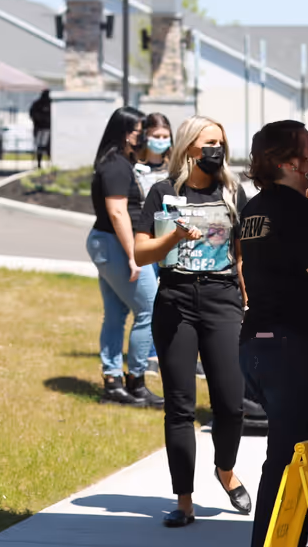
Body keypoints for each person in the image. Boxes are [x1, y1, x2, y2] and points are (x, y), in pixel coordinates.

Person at [237, 119, 308, 546]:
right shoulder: (302, 211)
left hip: (259, 346)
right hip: (295, 350)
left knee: (302, 452)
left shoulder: (254, 209)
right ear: (288, 161)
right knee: (289, 458)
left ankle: (297, 537)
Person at [135, 116, 252, 527]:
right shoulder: (162, 193)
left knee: (231, 403)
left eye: (220, 142)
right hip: (176, 299)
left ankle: (225, 469)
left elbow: (241, 255)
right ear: (188, 148)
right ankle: (184, 501)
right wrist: (173, 238)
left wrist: (248, 300)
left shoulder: (232, 191)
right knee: (180, 406)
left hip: (222, 300)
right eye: (208, 143)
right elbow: (141, 253)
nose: (215, 150)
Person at [84, 105, 161, 407]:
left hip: (106, 243)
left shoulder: (116, 161)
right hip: (116, 244)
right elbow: (118, 213)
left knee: (116, 314)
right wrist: (134, 256)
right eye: (139, 133)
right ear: (125, 134)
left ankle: (113, 383)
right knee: (150, 308)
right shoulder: (115, 165)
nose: (141, 138)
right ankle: (136, 382)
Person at [134, 112, 173, 196]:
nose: (161, 140)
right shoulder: (134, 167)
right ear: (145, 136)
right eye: (156, 136)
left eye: (165, 137)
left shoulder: (174, 168)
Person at [28, 88, 52, 166]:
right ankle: (39, 163)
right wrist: (41, 120)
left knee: (48, 147)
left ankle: (49, 162)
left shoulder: (51, 103)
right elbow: (32, 114)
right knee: (40, 147)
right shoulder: (37, 104)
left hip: (48, 129)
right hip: (40, 128)